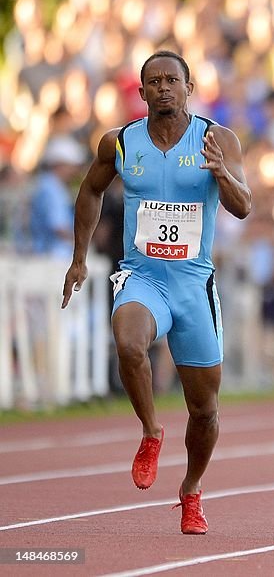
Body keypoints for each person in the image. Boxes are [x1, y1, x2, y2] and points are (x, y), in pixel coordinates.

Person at [62, 51, 252, 534]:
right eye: (154, 81)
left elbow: (244, 206)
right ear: (141, 91)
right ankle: (150, 431)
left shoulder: (217, 138)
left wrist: (221, 172)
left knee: (204, 409)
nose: (164, 87)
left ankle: (191, 489)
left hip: (193, 284)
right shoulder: (120, 143)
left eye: (173, 80)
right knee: (128, 341)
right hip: (142, 276)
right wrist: (80, 257)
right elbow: (89, 191)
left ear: (190, 87)